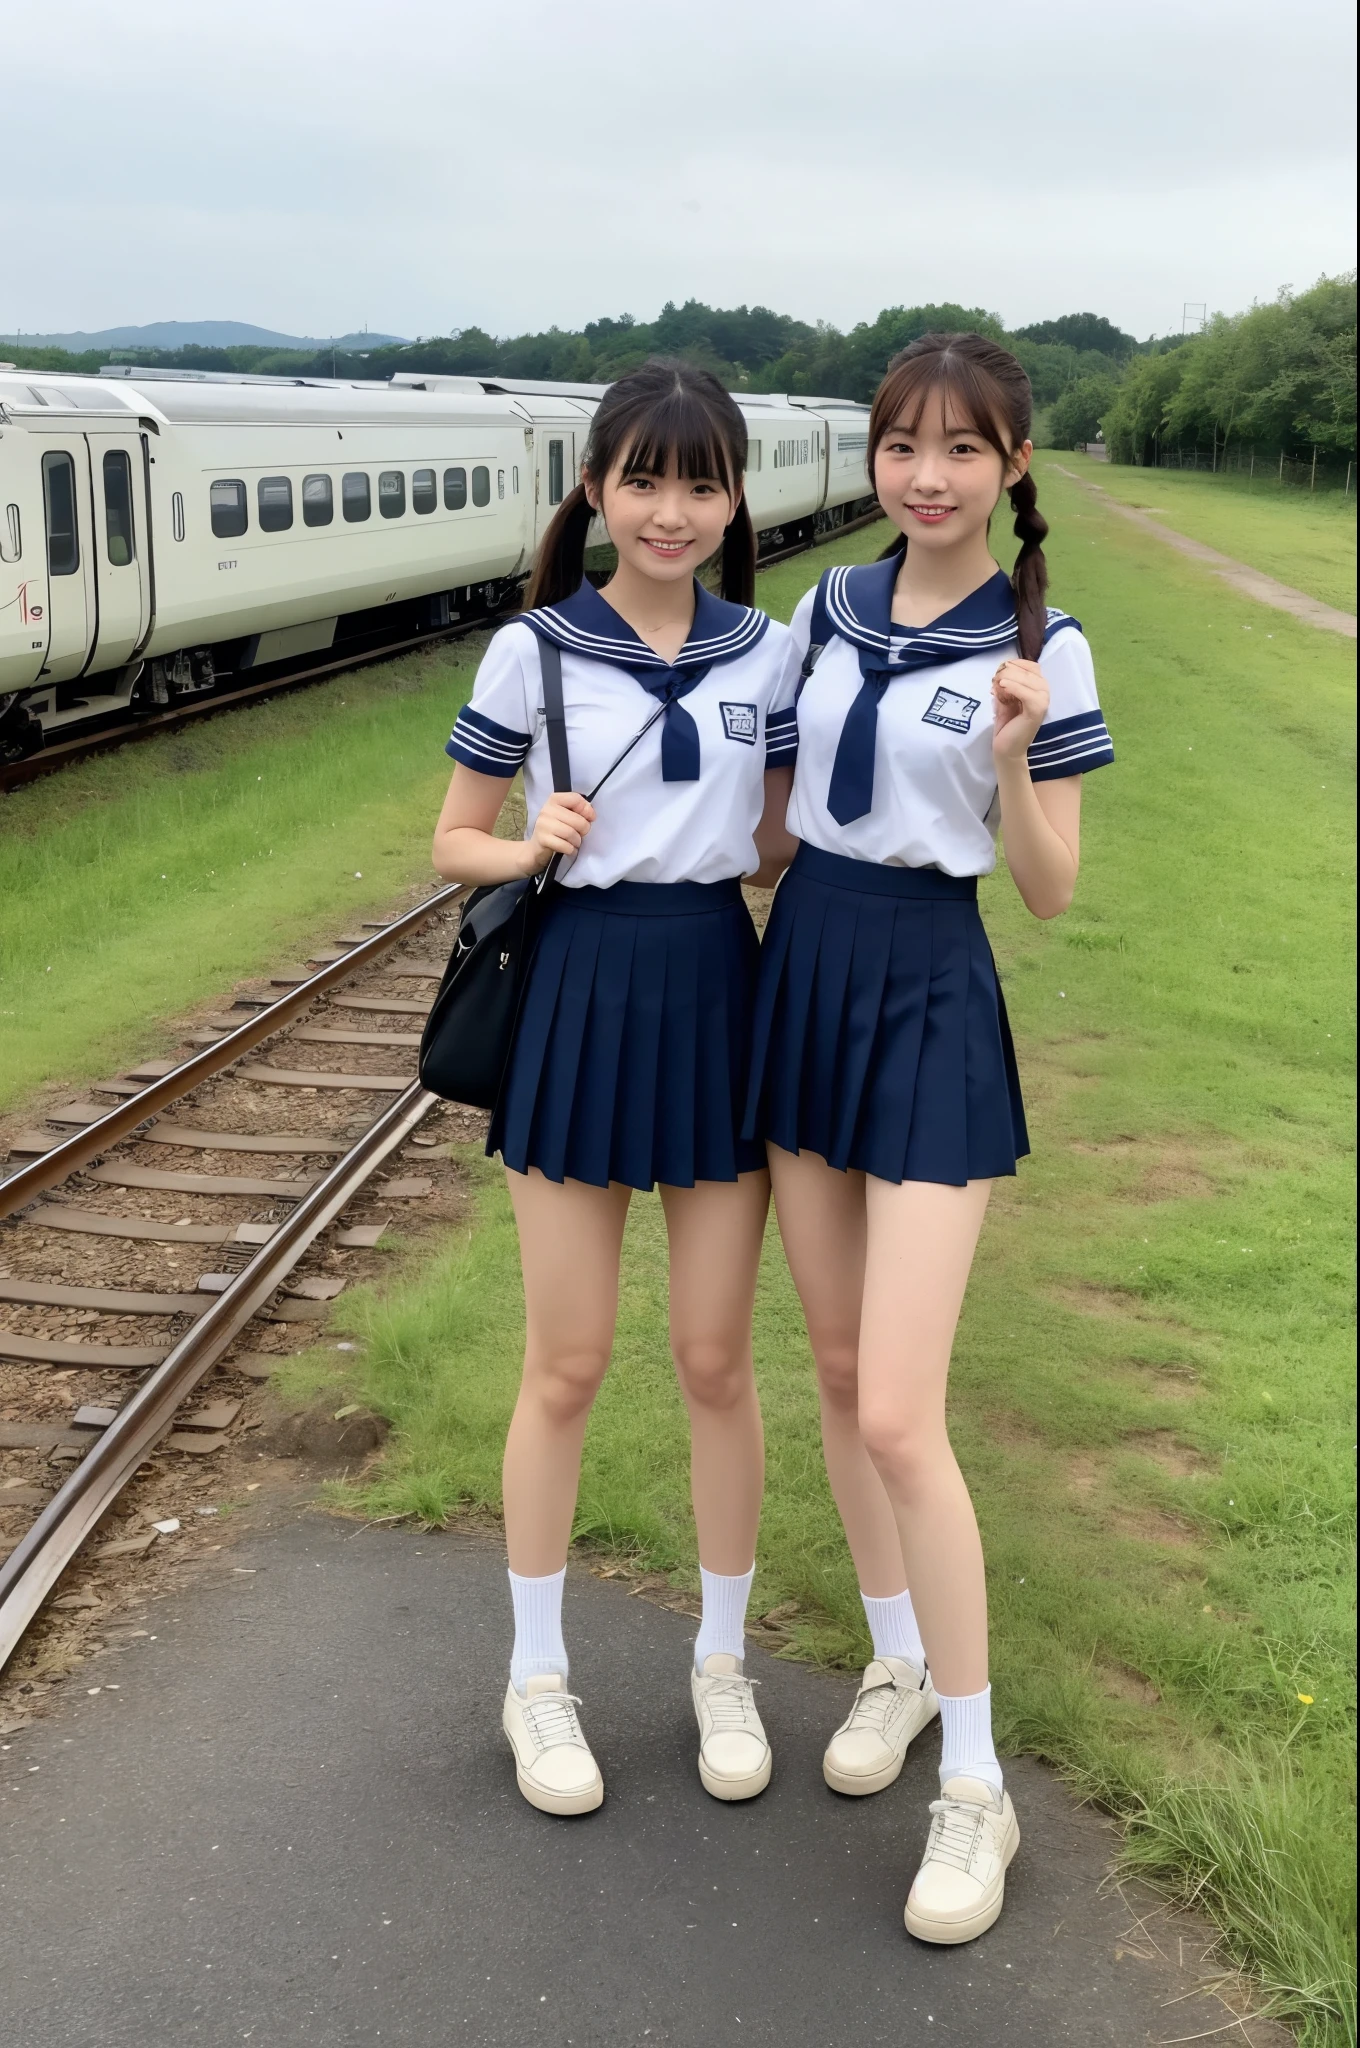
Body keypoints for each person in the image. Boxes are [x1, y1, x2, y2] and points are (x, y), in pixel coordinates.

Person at [745, 332, 1114, 1942]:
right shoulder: (819, 613)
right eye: (905, 445)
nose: (929, 475)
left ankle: (979, 1788)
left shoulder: (1049, 642)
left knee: (901, 1409)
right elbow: (766, 819)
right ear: (874, 458)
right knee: (832, 1371)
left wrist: (1021, 756)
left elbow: (1047, 889)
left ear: (1011, 467)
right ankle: (894, 1658)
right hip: (802, 965)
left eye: (964, 449)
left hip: (927, 986)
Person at [431, 360, 798, 1817]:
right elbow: (452, 838)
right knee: (567, 1363)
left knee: (715, 1362)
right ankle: (537, 1680)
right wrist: (529, 847)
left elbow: (771, 843)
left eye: (699, 481)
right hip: (576, 995)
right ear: (595, 489)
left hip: (716, 990)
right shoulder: (533, 651)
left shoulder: (767, 654)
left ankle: (722, 1664)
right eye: (642, 478)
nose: (670, 509)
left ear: (730, 500)